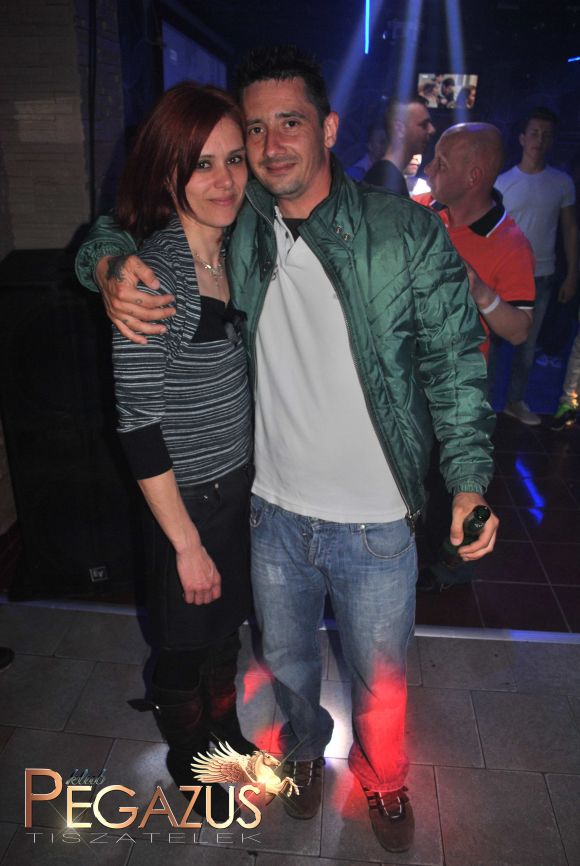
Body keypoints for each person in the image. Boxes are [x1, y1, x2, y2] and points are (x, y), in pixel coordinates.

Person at [75, 45, 498, 854]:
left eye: (290, 124)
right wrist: (104, 262)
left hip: (377, 521)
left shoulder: (402, 232)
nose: (270, 148)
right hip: (270, 515)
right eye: (255, 130)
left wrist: (470, 479)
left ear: (328, 128)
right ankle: (304, 752)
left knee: (382, 680)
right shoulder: (243, 225)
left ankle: (384, 776)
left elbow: (455, 362)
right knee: (289, 666)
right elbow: (137, 217)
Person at [105, 82, 255, 820]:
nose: (224, 180)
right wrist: (186, 544)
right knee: (184, 647)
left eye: (234, 159)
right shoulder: (155, 278)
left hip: (237, 489)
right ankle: (192, 763)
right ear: (169, 172)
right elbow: (137, 424)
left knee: (224, 634)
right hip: (186, 505)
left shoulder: (234, 248)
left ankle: (224, 734)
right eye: (202, 164)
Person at [413, 122, 535, 591]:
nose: (429, 168)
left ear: (473, 176)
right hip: (403, 380)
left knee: (452, 485)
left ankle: (447, 569)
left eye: (441, 162)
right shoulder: (419, 209)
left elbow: (519, 330)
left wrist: (478, 288)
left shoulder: (510, 241)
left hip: (457, 392)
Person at [494, 107, 578, 425]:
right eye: (534, 133)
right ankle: (484, 403)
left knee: (527, 347)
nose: (539, 140)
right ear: (522, 138)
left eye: (546, 134)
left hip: (541, 275)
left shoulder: (561, 182)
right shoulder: (503, 182)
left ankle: (515, 401)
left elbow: (570, 229)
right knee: (493, 343)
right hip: (503, 277)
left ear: (552, 140)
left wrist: (572, 274)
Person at [363, 96, 435, 195]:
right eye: (424, 125)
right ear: (400, 129)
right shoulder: (385, 181)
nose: (432, 130)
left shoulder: (388, 177)